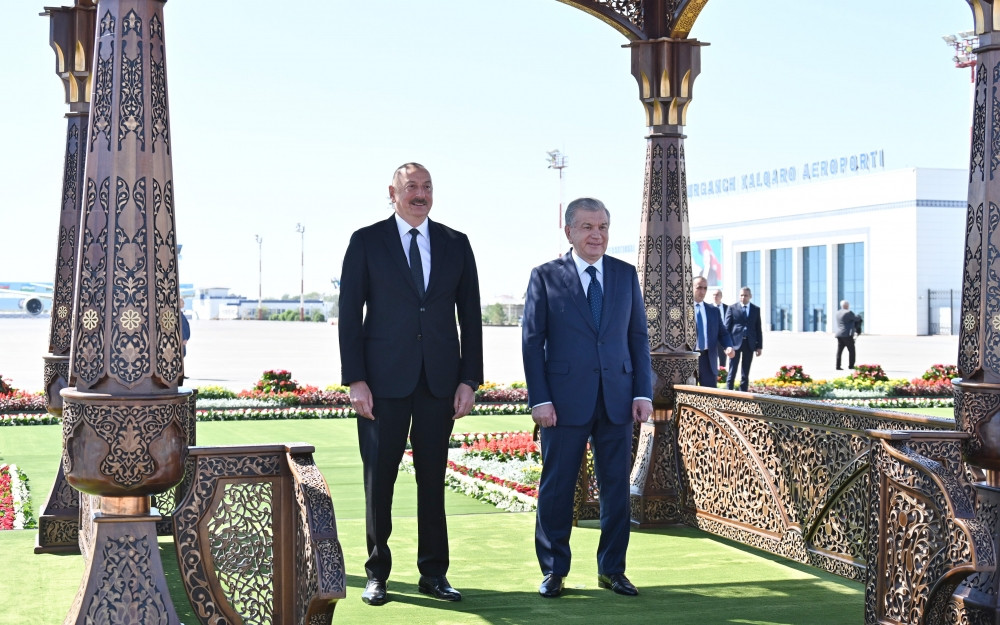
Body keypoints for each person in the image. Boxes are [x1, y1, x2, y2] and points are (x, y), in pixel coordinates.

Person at [338, 162, 483, 607]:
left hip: (439, 384)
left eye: (427, 187)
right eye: (411, 187)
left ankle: (434, 573)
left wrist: (469, 380)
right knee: (379, 481)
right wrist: (356, 380)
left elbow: (470, 317)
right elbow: (349, 315)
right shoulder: (366, 241)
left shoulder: (456, 243)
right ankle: (377, 573)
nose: (420, 194)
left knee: (432, 481)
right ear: (393, 193)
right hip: (382, 385)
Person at [522, 197, 653, 599]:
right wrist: (540, 399)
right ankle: (553, 570)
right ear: (569, 231)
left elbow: (637, 338)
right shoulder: (545, 276)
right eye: (587, 227)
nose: (597, 235)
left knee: (616, 489)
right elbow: (532, 343)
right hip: (562, 404)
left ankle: (612, 570)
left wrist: (642, 392)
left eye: (603, 227)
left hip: (618, 399)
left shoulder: (625, 274)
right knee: (557, 488)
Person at [692, 276, 734, 387]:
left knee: (709, 394)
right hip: (689, 360)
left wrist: (728, 346)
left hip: (708, 360)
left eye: (705, 288)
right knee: (688, 394)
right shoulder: (683, 310)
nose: (702, 291)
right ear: (691, 288)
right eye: (699, 287)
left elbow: (723, 333)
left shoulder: (713, 310)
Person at [724, 287, 763, 391]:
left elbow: (758, 329)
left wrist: (759, 346)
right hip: (734, 344)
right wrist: (727, 345)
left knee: (745, 373)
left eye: (745, 295)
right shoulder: (732, 308)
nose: (743, 297)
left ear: (750, 296)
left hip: (749, 344)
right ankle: (729, 393)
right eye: (741, 295)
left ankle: (743, 394)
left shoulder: (756, 309)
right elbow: (726, 328)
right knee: (732, 371)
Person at [835, 300, 858, 370]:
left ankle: (838, 366)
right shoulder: (848, 312)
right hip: (847, 334)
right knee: (852, 351)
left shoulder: (837, 313)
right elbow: (856, 319)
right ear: (847, 305)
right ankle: (851, 365)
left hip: (839, 334)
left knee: (839, 351)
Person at [712, 289, 729, 369]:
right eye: (714, 295)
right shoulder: (708, 308)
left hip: (723, 337)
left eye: (717, 295)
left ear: (721, 296)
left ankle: (722, 373)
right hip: (712, 337)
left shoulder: (727, 308)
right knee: (712, 358)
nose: (715, 296)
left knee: (723, 359)